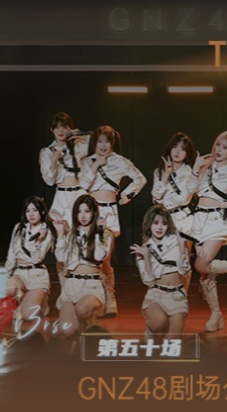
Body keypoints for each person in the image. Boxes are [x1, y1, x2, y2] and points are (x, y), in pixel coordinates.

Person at [80, 125, 147, 317]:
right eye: (99, 141)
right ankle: (95, 297)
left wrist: (127, 194)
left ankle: (110, 297)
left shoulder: (120, 161)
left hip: (108, 213)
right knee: (89, 257)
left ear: (113, 143)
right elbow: (82, 185)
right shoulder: (87, 161)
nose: (103, 145)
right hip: (88, 212)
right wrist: (95, 165)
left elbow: (140, 179)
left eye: (107, 142)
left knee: (104, 258)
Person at [189, 131, 227, 332]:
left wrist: (226, 205)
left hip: (216, 222)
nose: (219, 150)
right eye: (218, 145)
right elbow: (190, 190)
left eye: (225, 147)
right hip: (199, 219)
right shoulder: (206, 166)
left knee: (201, 265)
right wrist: (195, 169)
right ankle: (216, 314)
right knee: (205, 273)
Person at [38, 112, 89, 286]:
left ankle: (85, 284)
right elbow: (49, 180)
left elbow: (100, 141)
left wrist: (77, 134)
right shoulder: (47, 151)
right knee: (61, 241)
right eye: (57, 127)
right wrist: (54, 160)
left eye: (65, 127)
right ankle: (65, 287)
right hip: (61, 197)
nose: (61, 131)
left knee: (82, 239)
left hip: (79, 195)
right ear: (51, 130)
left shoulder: (79, 146)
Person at [53, 195, 114, 339]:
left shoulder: (105, 234)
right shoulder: (70, 234)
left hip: (91, 286)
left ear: (94, 213)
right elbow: (61, 258)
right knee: (66, 330)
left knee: (81, 310)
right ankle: (85, 328)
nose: (83, 215)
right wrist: (60, 234)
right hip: (71, 285)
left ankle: (88, 324)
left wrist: (99, 232)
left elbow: (99, 256)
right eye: (79, 211)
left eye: (87, 211)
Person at [131, 205, 190, 338]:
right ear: (149, 225)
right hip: (157, 295)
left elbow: (184, 271)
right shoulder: (144, 249)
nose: (159, 227)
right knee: (158, 323)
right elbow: (149, 282)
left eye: (163, 223)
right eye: (155, 223)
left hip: (177, 296)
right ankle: (150, 330)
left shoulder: (176, 242)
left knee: (172, 343)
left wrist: (182, 246)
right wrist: (146, 257)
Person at [152, 132, 198, 293]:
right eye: (175, 147)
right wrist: (166, 175)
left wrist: (165, 200)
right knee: (162, 259)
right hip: (163, 219)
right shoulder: (159, 171)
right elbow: (155, 196)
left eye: (183, 149)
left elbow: (185, 198)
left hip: (183, 218)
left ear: (187, 154)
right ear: (169, 148)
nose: (178, 151)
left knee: (183, 259)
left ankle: (182, 295)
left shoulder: (190, 173)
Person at [5, 196, 55, 322]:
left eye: (35, 210)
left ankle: (41, 303)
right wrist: (6, 275)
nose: (31, 214)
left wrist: (36, 240)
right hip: (20, 273)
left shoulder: (47, 231)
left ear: (42, 212)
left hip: (37, 275)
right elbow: (11, 254)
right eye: (28, 211)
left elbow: (37, 259)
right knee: (6, 289)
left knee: (26, 315)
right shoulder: (18, 228)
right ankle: (28, 298)